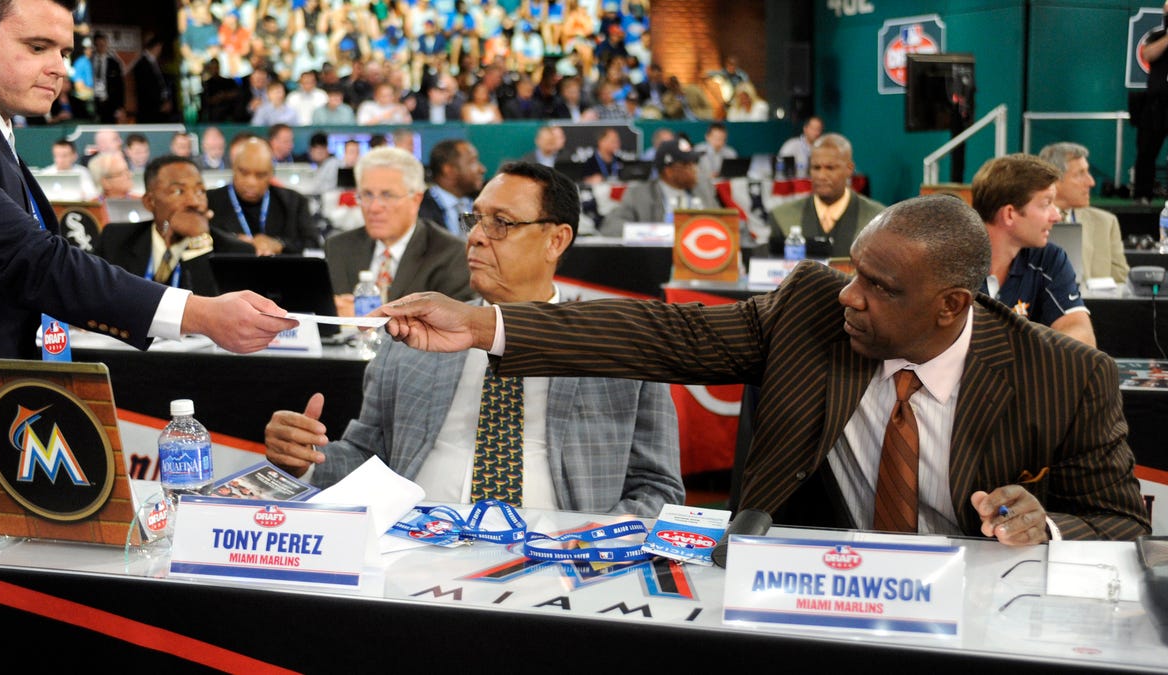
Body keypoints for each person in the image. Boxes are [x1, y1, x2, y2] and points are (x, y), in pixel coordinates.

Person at [376, 194, 1150, 545]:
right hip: (812, 606)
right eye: (854, 271)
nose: (849, 295)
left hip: (979, 625)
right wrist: (484, 325)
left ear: (951, 306)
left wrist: (1044, 524)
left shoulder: (1065, 376)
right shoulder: (813, 306)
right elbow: (660, 334)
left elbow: (1122, 521)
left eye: (878, 288)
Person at [0, 0, 296, 542]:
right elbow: (34, 261)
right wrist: (198, 313)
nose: (59, 67)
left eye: (66, 51)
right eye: (36, 47)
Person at [265, 161, 684, 516]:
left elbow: (657, 489)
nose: (476, 236)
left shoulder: (619, 347)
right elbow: (365, 456)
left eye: (501, 223)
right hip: (415, 548)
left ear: (556, 240)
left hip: (559, 562)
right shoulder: (413, 335)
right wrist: (307, 460)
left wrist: (594, 542)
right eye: (476, 219)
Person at [324, 146, 473, 309]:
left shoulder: (451, 254)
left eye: (387, 195)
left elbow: (455, 323)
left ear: (416, 199)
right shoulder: (339, 248)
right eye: (366, 194)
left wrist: (364, 317)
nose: (373, 207)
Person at [972, 154, 1096, 347]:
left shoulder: (1049, 259)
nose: (1056, 216)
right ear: (1010, 214)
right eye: (1046, 204)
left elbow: (1082, 340)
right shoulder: (953, 263)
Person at [96, 155, 253, 296]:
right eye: (179, 191)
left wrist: (199, 244)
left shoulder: (235, 253)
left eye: (200, 191)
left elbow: (215, 316)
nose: (194, 202)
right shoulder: (115, 241)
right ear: (150, 202)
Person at [764, 133, 885, 258]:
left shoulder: (877, 219)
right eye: (816, 168)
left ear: (849, 169)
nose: (821, 176)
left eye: (830, 168)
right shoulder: (782, 217)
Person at [207, 136, 321, 255]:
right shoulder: (210, 201)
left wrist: (280, 245)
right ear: (233, 168)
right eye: (244, 172)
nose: (251, 182)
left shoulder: (294, 203)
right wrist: (230, 242)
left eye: (260, 175)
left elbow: (313, 245)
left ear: (271, 174)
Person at [1038, 142, 1130, 283]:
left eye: (1088, 172)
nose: (1091, 182)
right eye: (1080, 174)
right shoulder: (1025, 221)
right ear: (1054, 180)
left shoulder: (1106, 223)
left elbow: (1120, 279)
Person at [600, 137, 719, 235]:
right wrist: (652, 233)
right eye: (687, 165)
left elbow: (723, 222)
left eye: (694, 163)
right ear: (669, 171)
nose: (694, 170)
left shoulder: (703, 190)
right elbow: (611, 227)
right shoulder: (639, 195)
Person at [419, 138, 485, 238]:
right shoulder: (421, 211)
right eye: (472, 162)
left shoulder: (479, 203)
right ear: (449, 170)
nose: (482, 169)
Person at [1135, 2, 1168, 202]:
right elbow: (1147, 54)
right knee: (1146, 150)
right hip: (1156, 106)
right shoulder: (1157, 37)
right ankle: (1142, 195)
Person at [132, 33, 174, 123]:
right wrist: (159, 106)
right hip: (150, 112)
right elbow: (145, 90)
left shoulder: (155, 63)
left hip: (161, 110)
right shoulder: (142, 65)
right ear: (157, 46)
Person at [90, 31, 124, 123]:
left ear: (107, 44)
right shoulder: (89, 61)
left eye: (103, 44)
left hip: (109, 103)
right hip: (92, 101)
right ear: (95, 45)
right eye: (99, 44)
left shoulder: (114, 63)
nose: (101, 47)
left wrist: (120, 107)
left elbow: (120, 86)